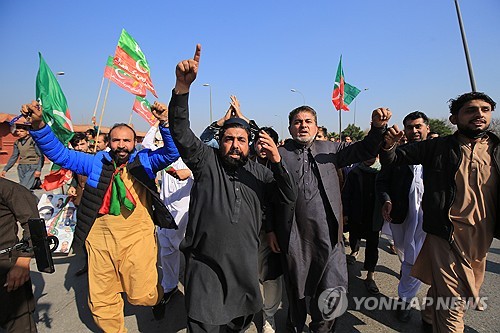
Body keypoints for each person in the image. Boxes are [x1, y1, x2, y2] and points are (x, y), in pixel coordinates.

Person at [166, 44, 296, 333]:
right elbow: (181, 131)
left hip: (244, 270)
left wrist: (276, 161)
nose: (235, 145)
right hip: (205, 269)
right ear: (220, 140)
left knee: (237, 324)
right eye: (228, 138)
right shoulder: (205, 162)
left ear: (249, 144)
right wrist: (182, 88)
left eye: (241, 139)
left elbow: (289, 195)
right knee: (203, 324)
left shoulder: (260, 173)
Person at [20, 100, 180, 332]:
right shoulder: (95, 162)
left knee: (142, 295)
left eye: (127, 140)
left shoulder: (144, 161)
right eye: (116, 140)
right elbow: (61, 155)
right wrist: (39, 125)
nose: (121, 145)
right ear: (110, 143)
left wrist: (165, 122)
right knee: (102, 300)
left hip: (137, 238)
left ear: (134, 142)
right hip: (99, 240)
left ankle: (157, 298)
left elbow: (172, 152)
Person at [381, 92, 500, 332]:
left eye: (485, 110)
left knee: (453, 290)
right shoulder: (437, 148)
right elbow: (392, 159)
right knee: (454, 302)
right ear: (454, 118)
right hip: (444, 234)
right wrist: (389, 144)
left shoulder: (497, 150)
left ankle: (427, 314)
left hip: (480, 237)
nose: (479, 114)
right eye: (470, 110)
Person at [277, 104, 392, 332]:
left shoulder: (332, 149)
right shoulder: (279, 154)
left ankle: (323, 329)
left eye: (308, 121)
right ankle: (295, 325)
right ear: (290, 128)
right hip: (295, 239)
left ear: (316, 126)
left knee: (333, 288)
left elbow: (365, 150)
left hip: (329, 237)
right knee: (297, 291)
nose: (303, 126)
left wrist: (377, 128)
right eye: (297, 122)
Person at [376, 111, 430, 322]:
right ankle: (406, 300)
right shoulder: (397, 154)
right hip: (404, 217)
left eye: (418, 126)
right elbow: (381, 182)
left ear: (427, 127)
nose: (415, 131)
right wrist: (387, 200)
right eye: (410, 127)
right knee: (408, 258)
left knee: (421, 262)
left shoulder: (441, 154)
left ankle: (418, 305)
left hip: (434, 219)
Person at [141, 125, 194, 320]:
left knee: (189, 255)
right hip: (165, 213)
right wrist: (158, 123)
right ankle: (170, 286)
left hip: (185, 216)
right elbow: (145, 145)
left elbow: (206, 171)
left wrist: (188, 173)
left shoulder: (191, 155)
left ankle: (196, 294)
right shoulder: (165, 156)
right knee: (166, 252)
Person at [0, 177, 39, 332]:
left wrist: (23, 261)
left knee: (18, 325)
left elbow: (34, 223)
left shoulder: (6, 188)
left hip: (6, 269)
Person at [342, 156, 383, 295]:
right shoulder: (355, 172)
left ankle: (370, 275)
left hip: (375, 215)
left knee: (373, 245)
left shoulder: (382, 171)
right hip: (356, 213)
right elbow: (346, 194)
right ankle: (354, 251)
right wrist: (345, 212)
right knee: (354, 235)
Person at [1, 124, 44, 190]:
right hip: (21, 167)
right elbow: (14, 156)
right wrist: (5, 169)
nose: (19, 133)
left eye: (21, 131)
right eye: (17, 131)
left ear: (27, 132)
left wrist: (38, 170)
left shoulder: (33, 141)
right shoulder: (17, 143)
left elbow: (40, 156)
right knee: (27, 186)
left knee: (24, 187)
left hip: (32, 166)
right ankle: (35, 186)